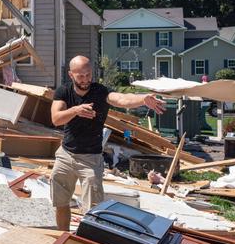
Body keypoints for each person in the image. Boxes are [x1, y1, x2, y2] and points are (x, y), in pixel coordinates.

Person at [50, 55, 166, 231]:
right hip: (66, 155)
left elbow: (121, 99)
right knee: (61, 202)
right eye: (80, 76)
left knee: (93, 209)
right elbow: (56, 119)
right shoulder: (63, 92)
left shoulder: (100, 92)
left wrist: (143, 99)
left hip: (91, 159)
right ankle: (63, 237)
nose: (85, 79)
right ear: (71, 75)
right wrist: (75, 110)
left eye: (88, 75)